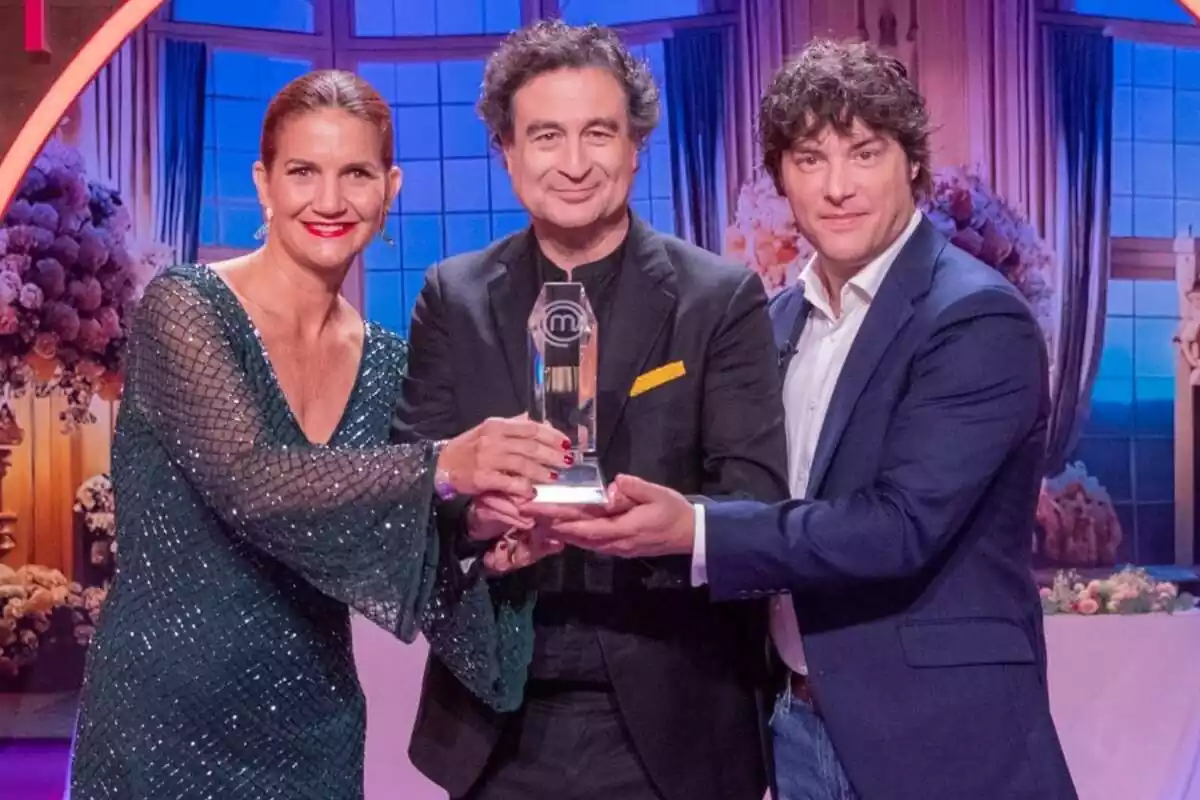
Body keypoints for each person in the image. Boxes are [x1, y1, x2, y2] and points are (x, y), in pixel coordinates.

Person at [539, 39, 1078, 800]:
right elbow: (753, 487)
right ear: (781, 179)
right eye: (808, 159)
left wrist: (694, 529)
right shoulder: (779, 318)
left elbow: (896, 527)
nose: (837, 187)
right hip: (795, 727)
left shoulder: (977, 316)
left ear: (912, 163)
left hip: (944, 737)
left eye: (864, 154)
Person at [67, 69, 568, 799]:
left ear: (389, 189)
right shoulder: (184, 309)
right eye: (303, 171)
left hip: (314, 729)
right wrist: (443, 464)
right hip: (159, 724)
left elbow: (394, 544)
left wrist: (488, 547)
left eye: (356, 173)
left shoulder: (392, 363)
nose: (330, 201)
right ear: (263, 183)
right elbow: (254, 481)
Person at [393, 20, 789, 800]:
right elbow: (407, 500)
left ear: (636, 145)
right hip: (494, 719)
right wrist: (478, 516)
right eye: (545, 136)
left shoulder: (720, 298)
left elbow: (759, 503)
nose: (573, 164)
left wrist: (674, 527)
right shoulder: (453, 296)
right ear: (507, 152)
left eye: (598, 133)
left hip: (675, 714)